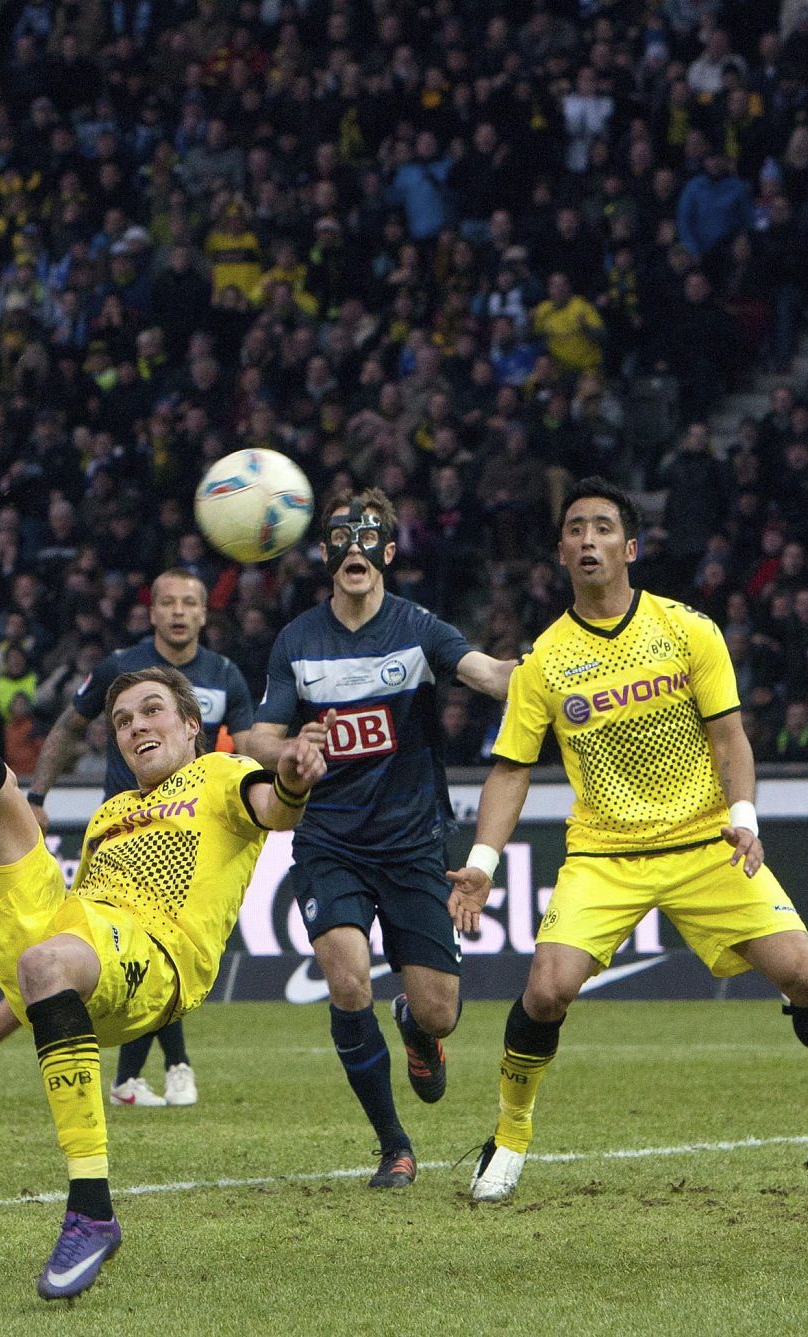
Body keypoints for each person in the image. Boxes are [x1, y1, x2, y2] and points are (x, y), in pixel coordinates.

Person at [447, 477, 808, 1203]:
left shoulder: (687, 629)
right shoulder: (543, 660)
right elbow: (511, 772)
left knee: (806, 975)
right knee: (546, 990)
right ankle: (509, 1138)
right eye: (574, 528)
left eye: (602, 527)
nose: (587, 539)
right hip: (605, 854)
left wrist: (745, 816)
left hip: (706, 842)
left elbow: (731, 739)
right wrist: (482, 863)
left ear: (630, 547)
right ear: (560, 552)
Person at [0, 516, 326, 1300]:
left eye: (153, 712)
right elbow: (50, 968)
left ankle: (91, 1209)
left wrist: (293, 772)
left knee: (50, 949)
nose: (135, 727)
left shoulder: (223, 776)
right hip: (86, 936)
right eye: (124, 721)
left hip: (158, 960)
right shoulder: (108, 815)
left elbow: (279, 811)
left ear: (191, 725)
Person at [244, 486, 515, 1189]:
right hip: (329, 840)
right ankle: (394, 1144)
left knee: (441, 1011)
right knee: (345, 978)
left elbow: (487, 674)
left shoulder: (418, 627)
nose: (355, 550)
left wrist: (548, 671)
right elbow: (260, 736)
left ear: (390, 552)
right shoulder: (298, 640)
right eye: (341, 538)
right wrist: (290, 748)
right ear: (327, 554)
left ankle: (416, 1028)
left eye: (369, 538)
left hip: (413, 840)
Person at [19, 568, 256, 1108]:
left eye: (189, 603)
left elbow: (247, 750)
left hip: (192, 833)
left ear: (203, 613)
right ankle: (169, 1068)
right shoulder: (119, 668)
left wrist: (274, 793)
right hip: (127, 833)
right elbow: (69, 729)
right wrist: (36, 794)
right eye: (167, 602)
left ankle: (143, 1074)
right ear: (152, 613)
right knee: (139, 943)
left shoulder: (225, 675)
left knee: (154, 948)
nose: (178, 612)